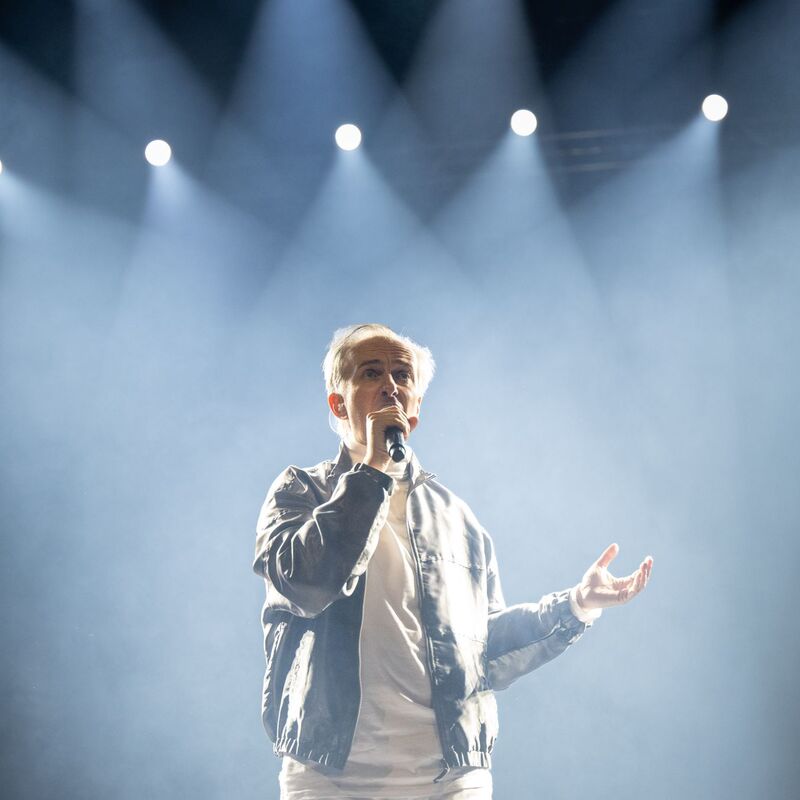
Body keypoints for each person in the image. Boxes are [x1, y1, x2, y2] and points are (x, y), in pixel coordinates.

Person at [253, 323, 653, 800]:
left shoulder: (457, 518)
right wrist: (373, 469)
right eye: (371, 372)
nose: (391, 387)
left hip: (448, 781)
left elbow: (482, 652)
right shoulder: (301, 491)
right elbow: (307, 581)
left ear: (416, 406)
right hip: (330, 779)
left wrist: (577, 606)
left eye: (403, 376)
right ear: (338, 402)